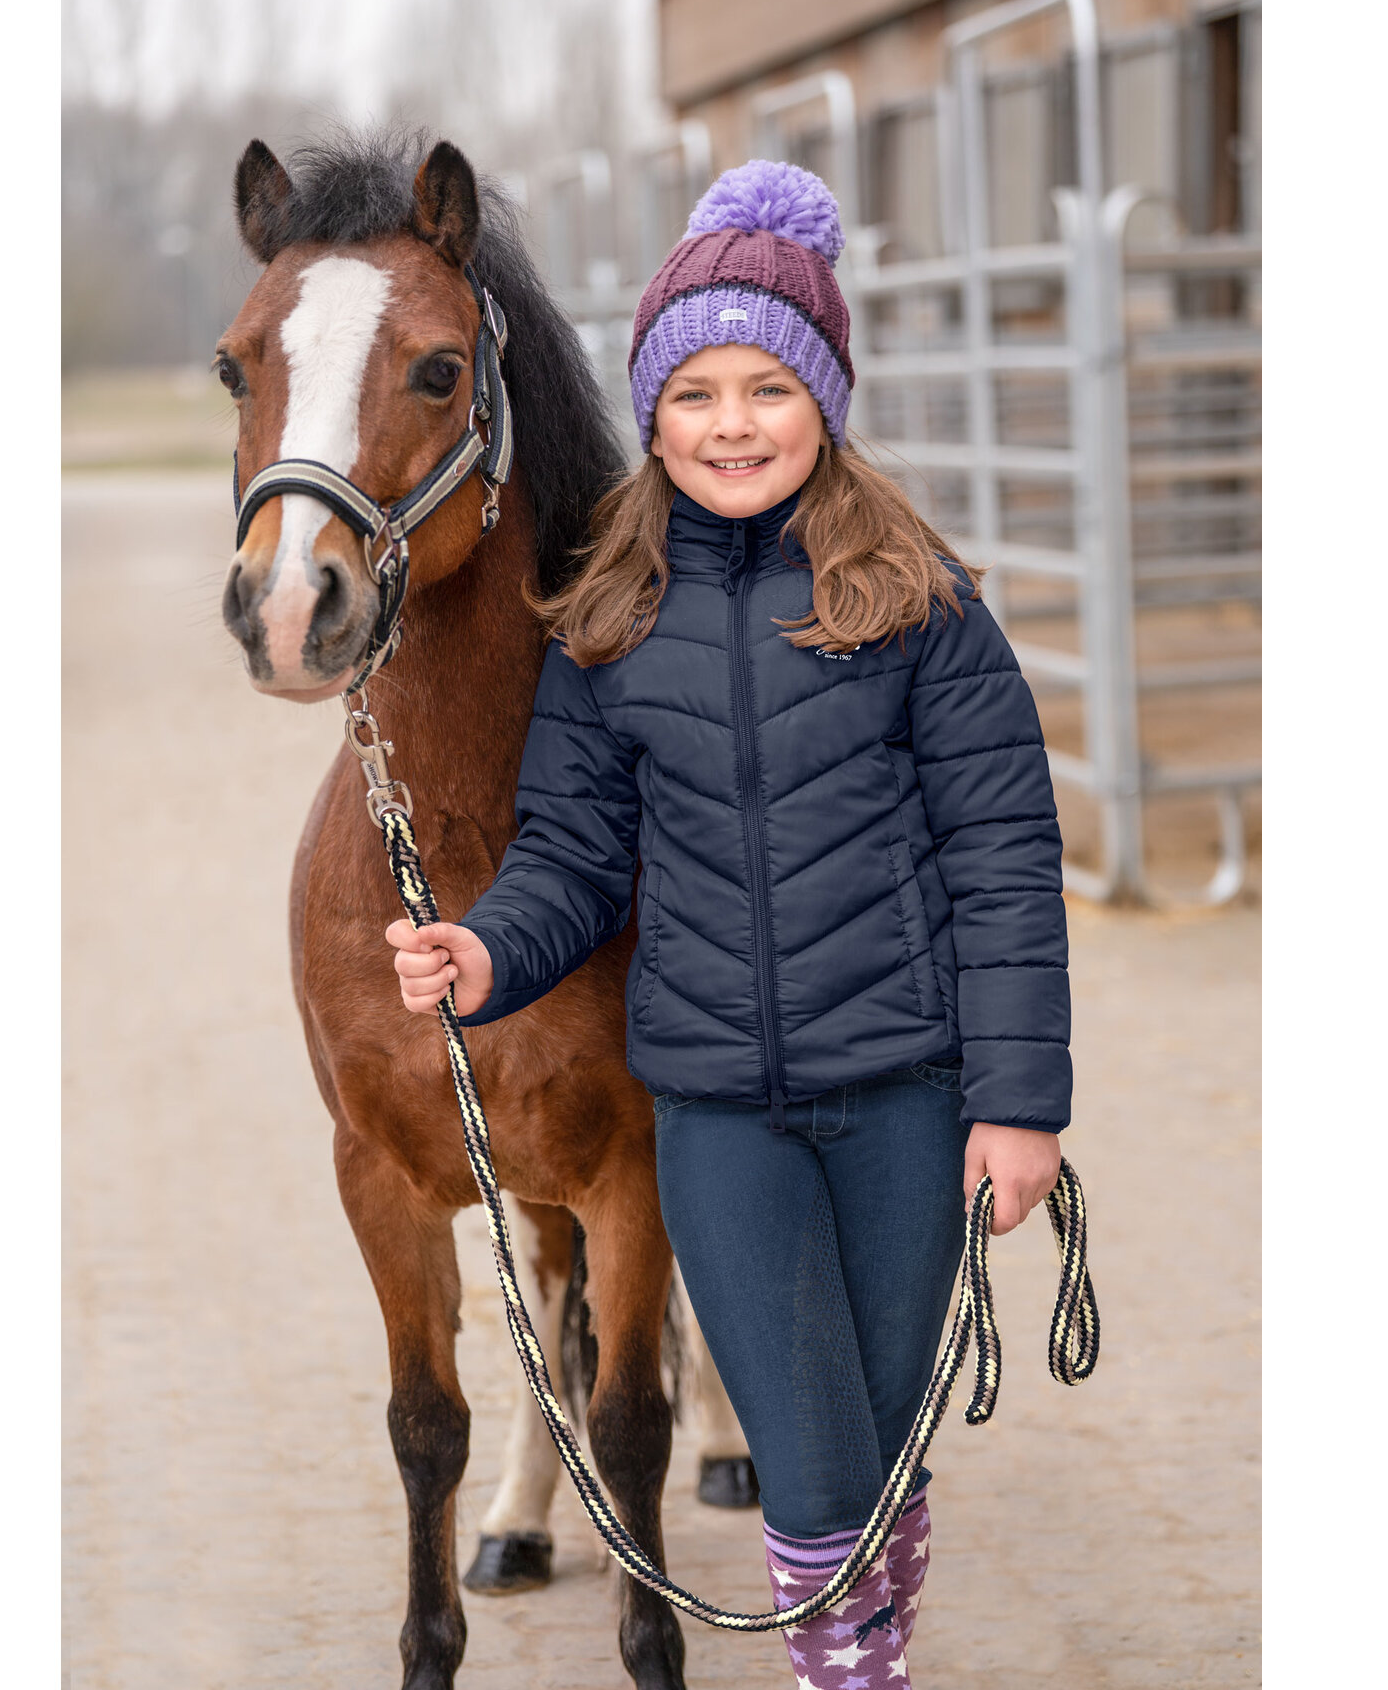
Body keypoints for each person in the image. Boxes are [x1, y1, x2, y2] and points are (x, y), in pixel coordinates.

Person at [388, 160, 1070, 1688]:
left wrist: (1018, 1105)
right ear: (651, 411)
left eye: (769, 385)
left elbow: (1005, 863)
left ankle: (861, 1640)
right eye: (693, 391)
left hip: (906, 1098)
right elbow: (573, 848)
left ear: (824, 397)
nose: (732, 422)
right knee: (817, 1468)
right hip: (717, 1116)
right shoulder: (610, 623)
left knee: (879, 1453)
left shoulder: (921, 607)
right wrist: (488, 947)